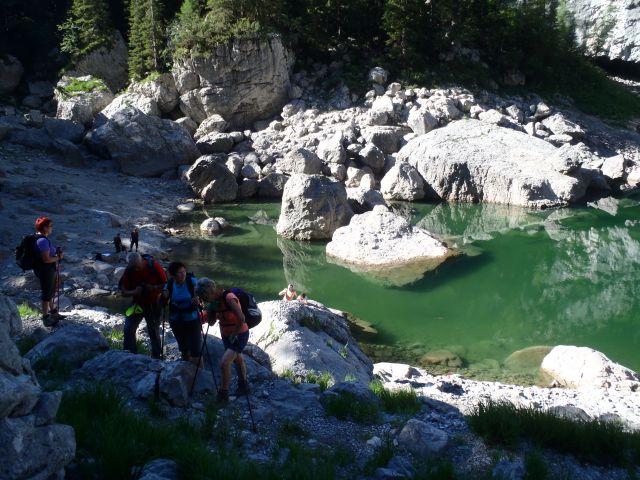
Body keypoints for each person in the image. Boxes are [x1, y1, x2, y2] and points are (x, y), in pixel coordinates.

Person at [196, 278, 249, 403]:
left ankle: (223, 395)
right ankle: (244, 386)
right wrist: (209, 309)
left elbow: (241, 317)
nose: (203, 300)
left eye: (204, 297)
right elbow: (212, 323)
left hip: (239, 334)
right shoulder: (214, 302)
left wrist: (235, 334)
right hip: (226, 335)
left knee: (224, 363)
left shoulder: (229, 298)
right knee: (237, 359)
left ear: (208, 292)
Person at [119, 252, 167, 358]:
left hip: (154, 304)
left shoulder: (154, 266)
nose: (136, 269)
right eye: (133, 268)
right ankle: (129, 355)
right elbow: (123, 291)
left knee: (153, 331)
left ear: (141, 261)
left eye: (137, 267)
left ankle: (156, 357)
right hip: (137, 303)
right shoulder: (129, 270)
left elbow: (165, 284)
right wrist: (134, 292)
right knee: (128, 328)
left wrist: (153, 288)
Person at [163, 261, 202, 366]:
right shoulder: (170, 284)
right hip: (176, 321)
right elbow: (163, 303)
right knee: (184, 349)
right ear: (173, 275)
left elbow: (203, 297)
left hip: (192, 320)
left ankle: (200, 376)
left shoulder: (192, 282)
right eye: (179, 273)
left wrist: (198, 300)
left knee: (196, 352)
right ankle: (187, 373)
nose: (183, 274)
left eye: (184, 271)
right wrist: (164, 297)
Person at [33, 216, 64, 327]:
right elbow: (46, 259)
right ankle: (45, 318)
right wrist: (58, 258)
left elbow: (49, 254)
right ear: (45, 228)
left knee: (50, 292)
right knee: (46, 294)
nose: (52, 228)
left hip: (47, 270)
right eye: (50, 226)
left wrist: (57, 252)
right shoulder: (42, 240)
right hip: (45, 270)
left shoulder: (43, 239)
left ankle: (54, 313)